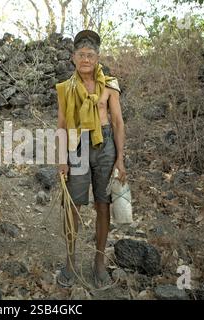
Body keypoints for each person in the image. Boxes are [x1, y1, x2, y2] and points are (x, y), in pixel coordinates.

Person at [55, 30, 126, 288]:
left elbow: (118, 123)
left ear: (97, 58)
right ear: (73, 58)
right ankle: (70, 261)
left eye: (90, 55)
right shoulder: (65, 88)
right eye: (81, 54)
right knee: (73, 205)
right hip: (77, 145)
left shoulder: (109, 86)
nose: (85, 59)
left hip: (105, 146)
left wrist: (121, 159)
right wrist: (62, 159)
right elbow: (62, 125)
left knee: (103, 204)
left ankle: (98, 262)